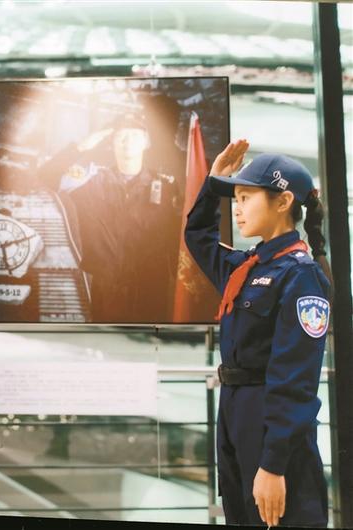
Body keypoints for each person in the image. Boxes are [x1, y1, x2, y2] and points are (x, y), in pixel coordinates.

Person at [185, 140, 330, 527]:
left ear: (283, 202)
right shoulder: (245, 267)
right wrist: (212, 184)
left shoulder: (301, 275)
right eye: (235, 199)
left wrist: (274, 463)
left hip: (270, 419)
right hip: (234, 410)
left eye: (246, 198)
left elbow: (296, 378)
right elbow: (197, 237)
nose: (237, 207)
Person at [39, 111, 182, 322]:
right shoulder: (91, 182)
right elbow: (45, 177)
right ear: (111, 142)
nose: (128, 141)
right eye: (121, 136)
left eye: (135, 135)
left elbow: (176, 239)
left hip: (150, 291)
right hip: (102, 290)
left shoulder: (167, 187)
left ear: (146, 142)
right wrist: (81, 147)